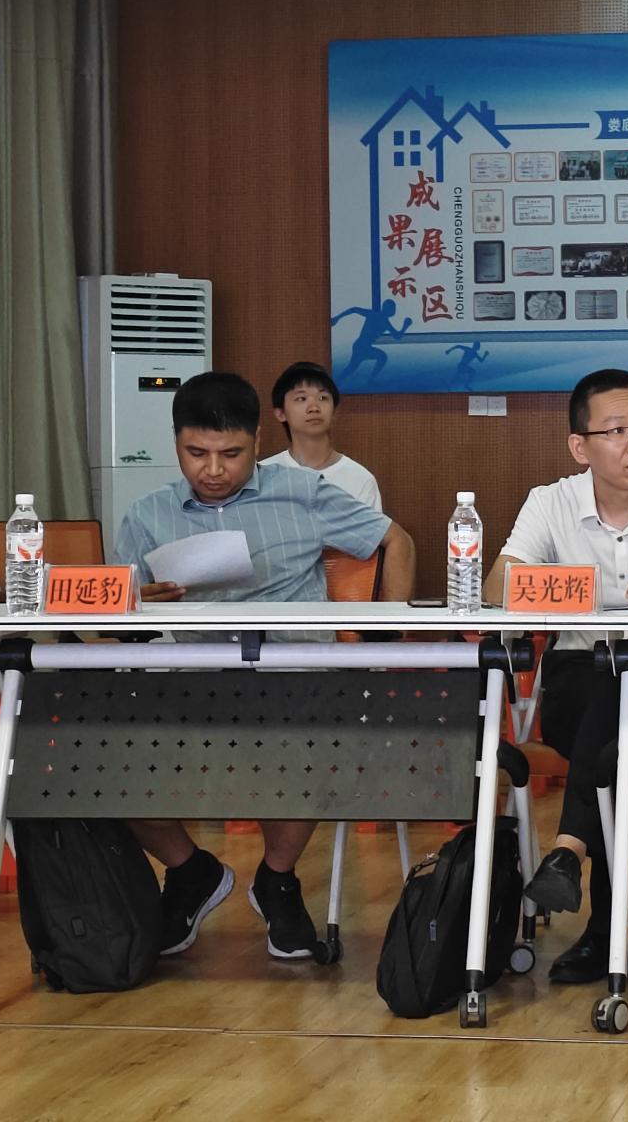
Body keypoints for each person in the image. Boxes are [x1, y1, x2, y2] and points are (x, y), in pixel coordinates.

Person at [114, 371, 416, 961]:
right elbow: (117, 614)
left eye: (231, 454)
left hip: (293, 672)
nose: (213, 470)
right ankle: (190, 870)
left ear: (257, 440)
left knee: (312, 737)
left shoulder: (303, 493)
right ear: (176, 442)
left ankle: (277, 878)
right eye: (196, 453)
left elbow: (395, 540)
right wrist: (138, 599)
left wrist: (386, 632)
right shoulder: (147, 514)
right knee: (103, 760)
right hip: (195, 677)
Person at [484, 369, 628, 983]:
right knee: (617, 729)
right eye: (617, 430)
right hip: (575, 678)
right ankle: (605, 931)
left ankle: (570, 857)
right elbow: (495, 586)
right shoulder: (550, 502)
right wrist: (555, 587)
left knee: (624, 715)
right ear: (579, 446)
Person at [262, 360, 382, 510]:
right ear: (280, 413)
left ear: (334, 411)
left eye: (322, 398)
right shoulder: (263, 475)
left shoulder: (360, 479)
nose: (314, 408)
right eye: (301, 398)